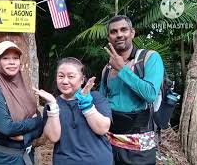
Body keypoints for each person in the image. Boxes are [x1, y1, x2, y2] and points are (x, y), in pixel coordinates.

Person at [100, 15, 164, 164]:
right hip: (110, 143)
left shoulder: (149, 58)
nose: (119, 34)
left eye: (124, 30)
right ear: (109, 37)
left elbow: (150, 94)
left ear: (132, 33)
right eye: (113, 32)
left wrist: (122, 69)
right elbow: (103, 103)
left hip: (139, 147)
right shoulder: (107, 69)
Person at [33, 57, 113, 165]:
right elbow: (53, 137)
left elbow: (102, 128)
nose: (65, 81)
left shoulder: (95, 98)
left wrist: (87, 106)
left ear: (82, 79)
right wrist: (53, 106)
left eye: (71, 76)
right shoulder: (52, 104)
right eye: (61, 76)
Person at [0, 41, 43, 165]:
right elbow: (7, 128)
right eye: (5, 58)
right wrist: (35, 121)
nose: (12, 62)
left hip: (26, 155)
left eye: (15, 58)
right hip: (3, 158)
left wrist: (25, 137)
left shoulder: (24, 88)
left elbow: (40, 128)